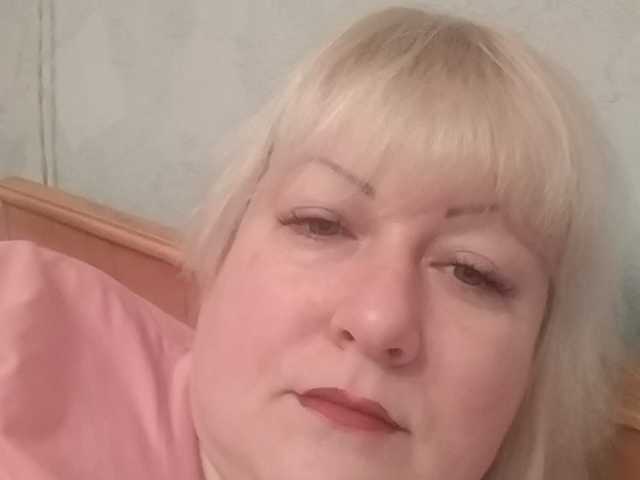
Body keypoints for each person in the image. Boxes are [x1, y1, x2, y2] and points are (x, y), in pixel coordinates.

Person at [0, 6, 628, 480]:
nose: (379, 320)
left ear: (536, 369)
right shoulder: (20, 327)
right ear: (222, 251)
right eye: (321, 224)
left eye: (472, 271)